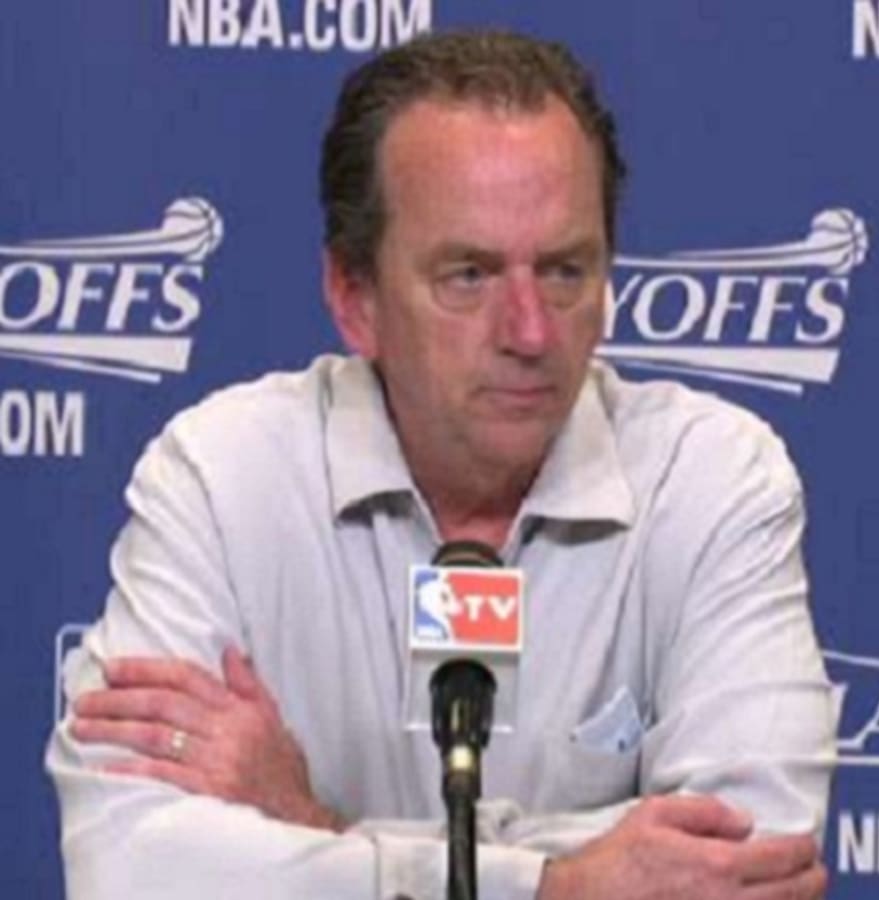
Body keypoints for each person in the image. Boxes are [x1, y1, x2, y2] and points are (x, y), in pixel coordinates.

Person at [46, 30, 835, 900]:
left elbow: (752, 869)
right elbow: (127, 868)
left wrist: (310, 830)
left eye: (565, 271)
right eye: (468, 275)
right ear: (355, 298)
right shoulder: (224, 480)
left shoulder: (712, 480)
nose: (529, 331)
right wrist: (562, 886)